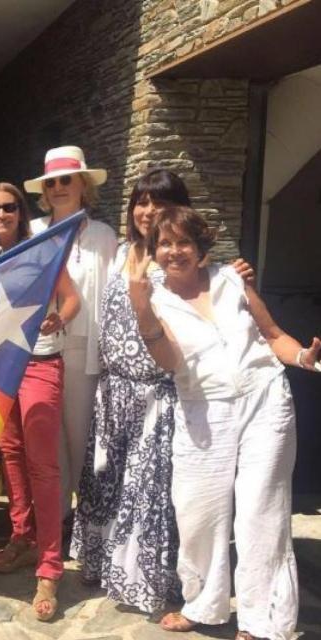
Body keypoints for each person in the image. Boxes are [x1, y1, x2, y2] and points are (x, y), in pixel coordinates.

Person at [128, 205, 317, 640]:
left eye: (184, 241)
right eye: (164, 243)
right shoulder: (153, 298)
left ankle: (261, 621)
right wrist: (141, 309)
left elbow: (273, 335)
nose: (175, 251)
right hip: (203, 410)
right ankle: (203, 603)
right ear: (154, 251)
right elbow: (170, 361)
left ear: (200, 247)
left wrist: (303, 357)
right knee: (198, 512)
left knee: (261, 512)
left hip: (264, 399)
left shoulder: (233, 279)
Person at [71, 169, 190, 613]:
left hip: (155, 394)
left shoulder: (176, 260)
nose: (148, 210)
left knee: (146, 490)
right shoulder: (121, 252)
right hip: (113, 389)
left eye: (159, 202)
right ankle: (100, 563)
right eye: (141, 201)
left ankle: (143, 579)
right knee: (106, 481)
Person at [0, 182, 80, 621]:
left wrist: (60, 316)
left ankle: (50, 566)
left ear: (20, 212)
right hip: (0, 369)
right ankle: (22, 536)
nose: (0, 215)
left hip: (40, 364)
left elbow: (72, 298)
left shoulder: (43, 252)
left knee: (43, 465)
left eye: (8, 207)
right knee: (12, 454)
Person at [25, 145, 117, 523]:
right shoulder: (31, 232)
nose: (59, 188)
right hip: (39, 348)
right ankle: (56, 518)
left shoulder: (103, 236)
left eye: (66, 180)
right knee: (48, 441)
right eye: (52, 183)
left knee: (81, 438)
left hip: (84, 348)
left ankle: (87, 522)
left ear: (83, 185)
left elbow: (112, 294)